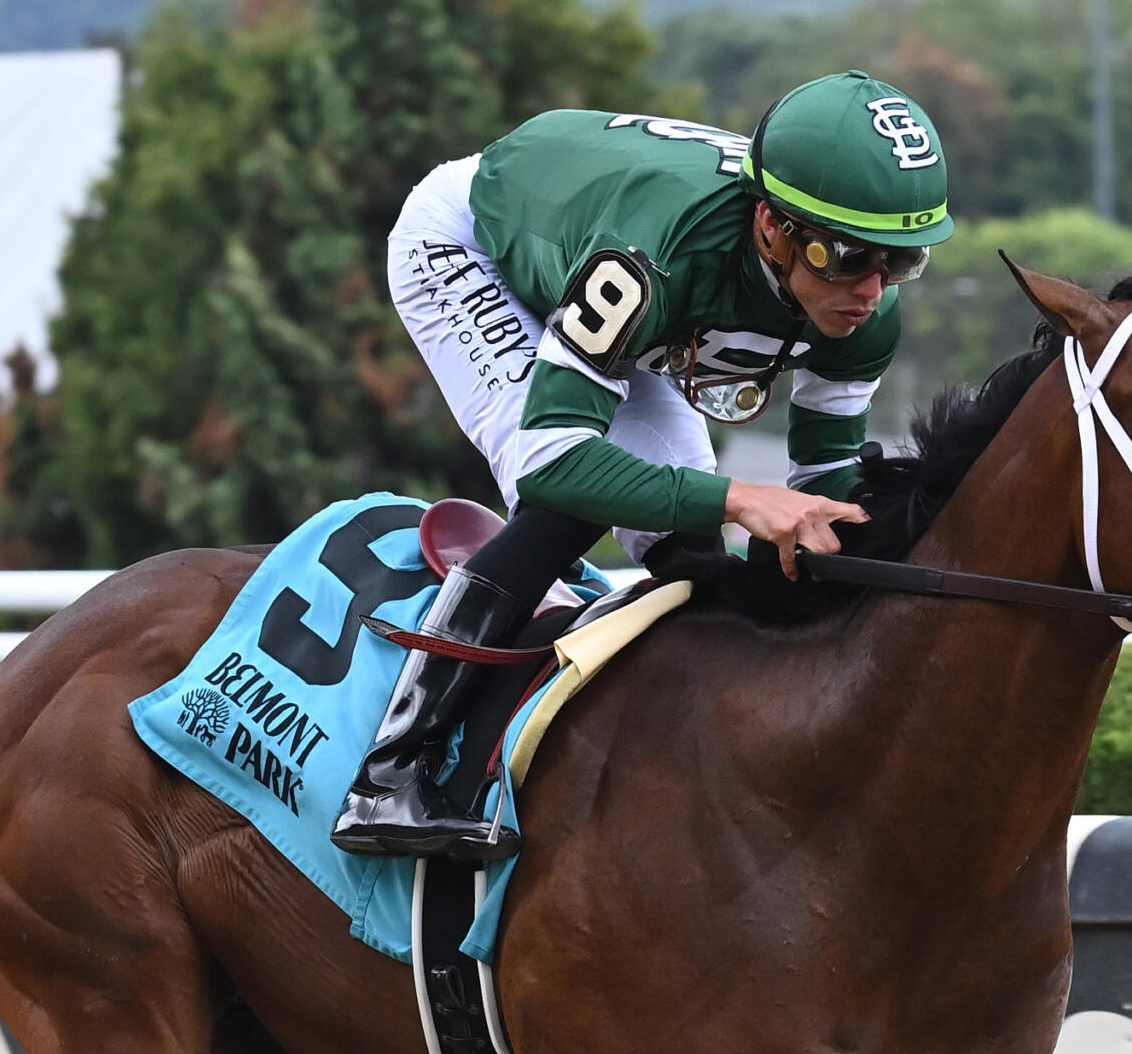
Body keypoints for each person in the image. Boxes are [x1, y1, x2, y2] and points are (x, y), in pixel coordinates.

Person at [331, 70, 951, 860]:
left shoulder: (865, 314)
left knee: (686, 549)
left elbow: (821, 489)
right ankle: (389, 775)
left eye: (900, 264)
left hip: (642, 289)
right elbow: (558, 465)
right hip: (475, 248)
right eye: (849, 259)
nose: (870, 291)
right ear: (772, 227)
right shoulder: (654, 256)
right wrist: (736, 498)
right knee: (575, 499)